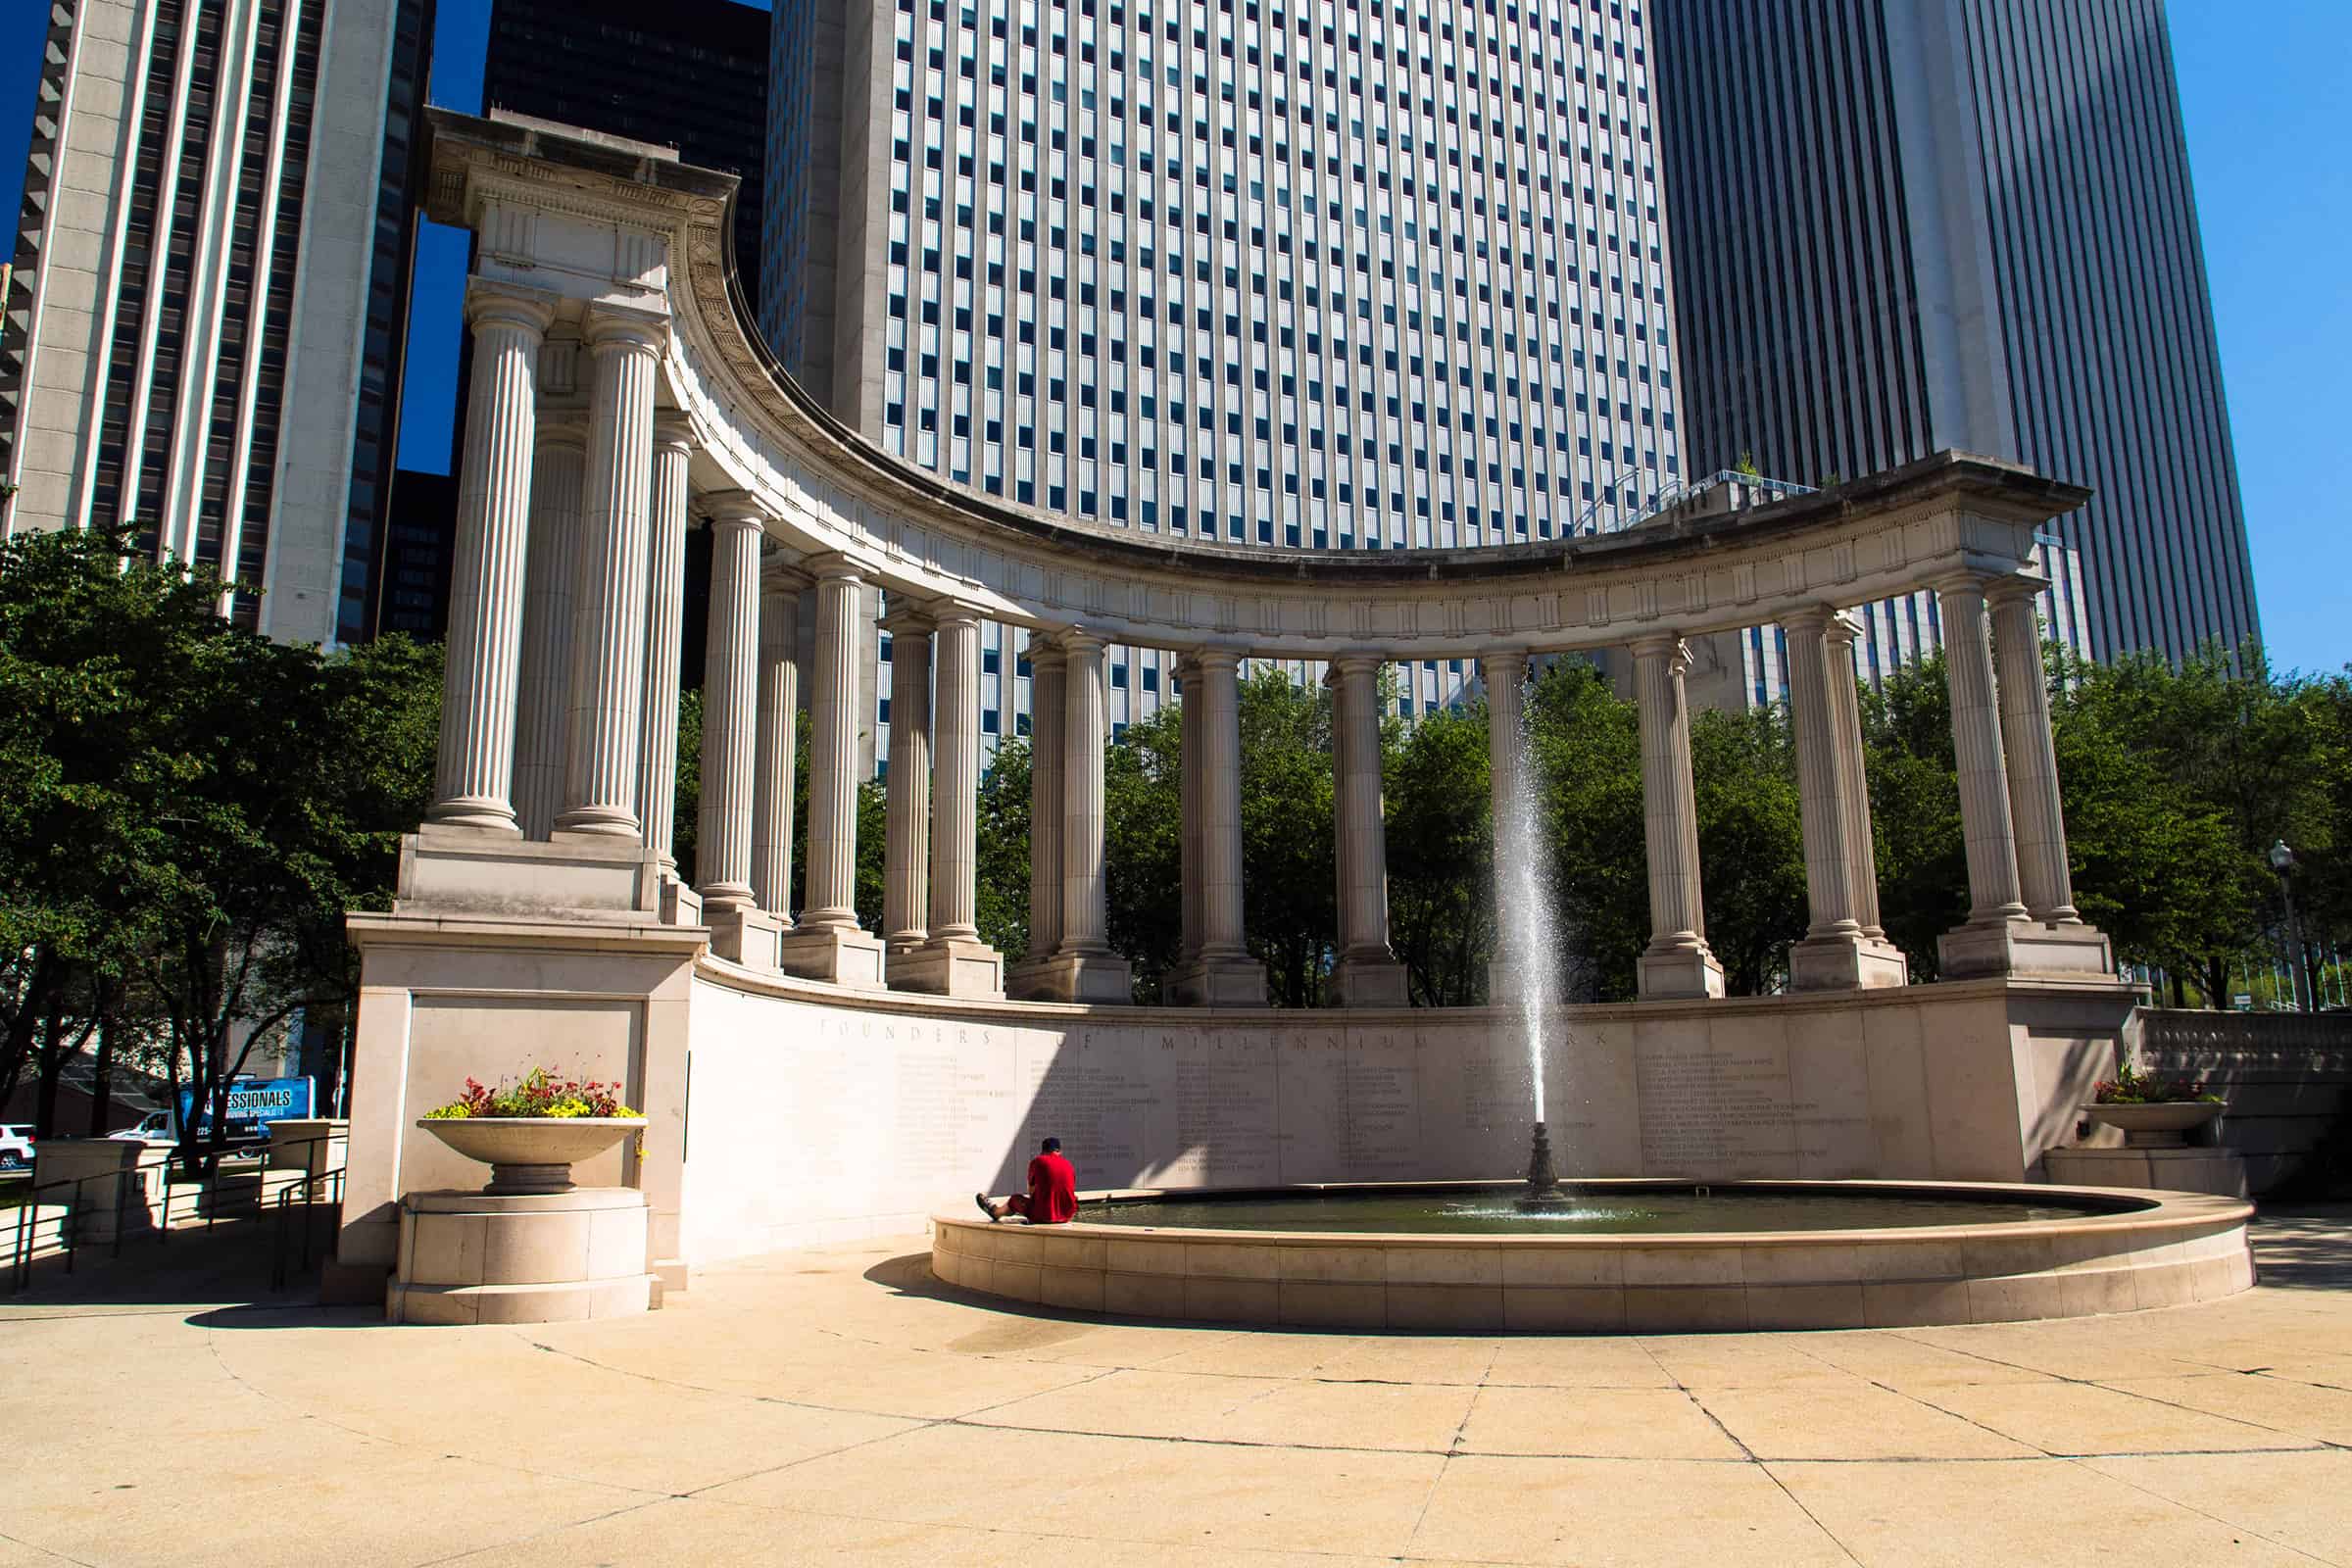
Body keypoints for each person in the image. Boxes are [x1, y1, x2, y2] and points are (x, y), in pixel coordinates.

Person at [976, 1137, 1078, 1224]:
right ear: (1060, 1151)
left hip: (1044, 1216)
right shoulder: (1068, 1165)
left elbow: (1031, 1192)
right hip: (1067, 1216)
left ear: (1043, 1151)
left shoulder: (1038, 1161)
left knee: (1015, 1200)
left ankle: (996, 1212)